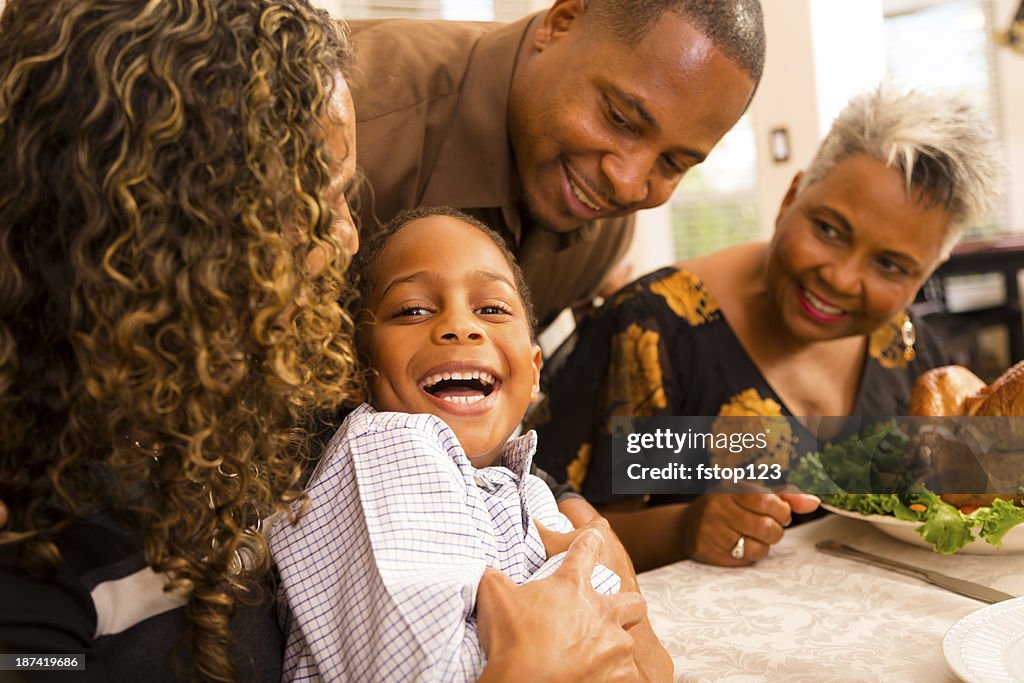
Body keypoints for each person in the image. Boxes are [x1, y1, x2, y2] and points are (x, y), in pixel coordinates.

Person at [0, 1, 652, 681]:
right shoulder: (33, 558)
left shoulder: (277, 415)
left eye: (343, 197)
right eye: (310, 203)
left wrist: (583, 531)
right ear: (163, 231)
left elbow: (472, 449)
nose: (345, 237)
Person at [527, 84, 1005, 570]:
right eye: (828, 230)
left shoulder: (901, 344)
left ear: (927, 272)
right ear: (791, 197)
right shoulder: (655, 329)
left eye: (891, 265)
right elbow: (536, 533)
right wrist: (686, 528)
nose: (840, 278)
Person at [270, 206, 672, 682]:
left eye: (492, 309)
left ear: (534, 368)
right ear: (357, 370)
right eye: (413, 310)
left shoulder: (528, 488)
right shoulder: (392, 447)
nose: (461, 326)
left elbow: (636, 660)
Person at [348, 0, 764, 329]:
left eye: (673, 164)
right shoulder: (348, 121)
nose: (627, 184)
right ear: (560, 23)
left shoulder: (601, 237)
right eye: (619, 118)